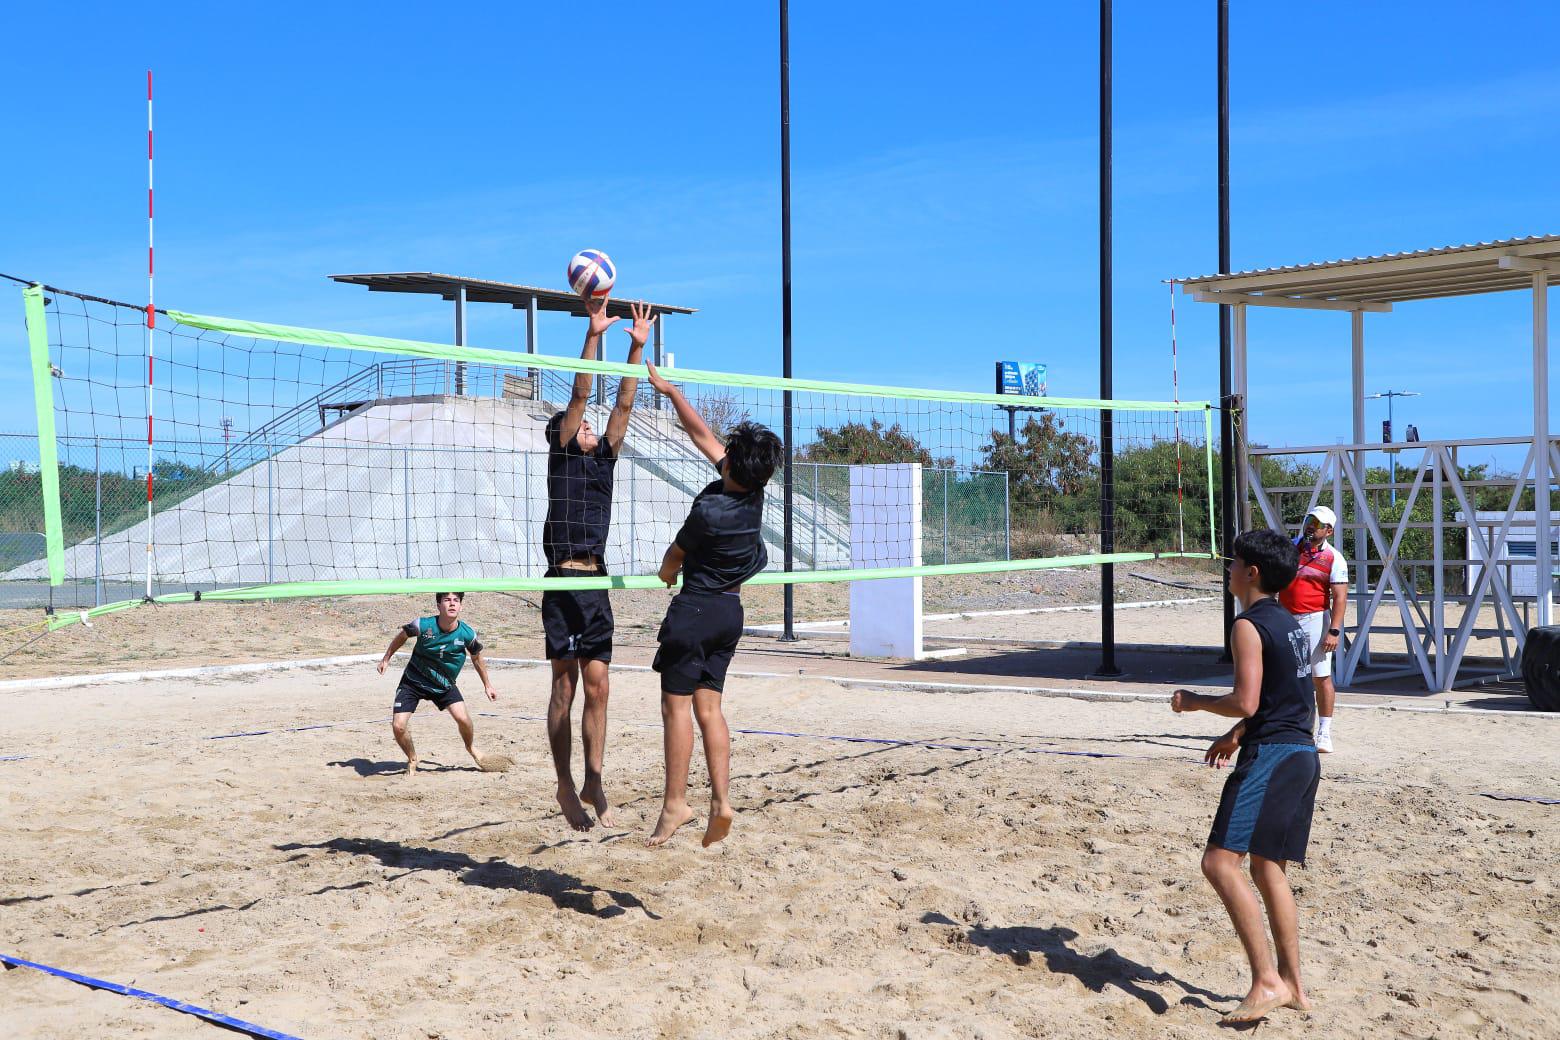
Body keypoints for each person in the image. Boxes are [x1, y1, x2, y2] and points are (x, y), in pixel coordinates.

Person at [1172, 528, 1321, 1024]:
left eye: (1233, 562)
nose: (1228, 569)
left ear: (1251, 573)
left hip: (1274, 756)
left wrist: (1194, 703)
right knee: (1266, 867)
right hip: (1302, 752)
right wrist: (1237, 734)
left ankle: (1266, 982)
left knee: (1219, 864)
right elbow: (1286, 697)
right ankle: (1295, 986)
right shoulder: (1291, 621)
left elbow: (1247, 700)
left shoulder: (1246, 625)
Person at [642, 361, 784, 849]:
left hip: (695, 610)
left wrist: (664, 577)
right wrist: (670, 391)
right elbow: (701, 434)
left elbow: (672, 561)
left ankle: (675, 803)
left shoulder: (709, 510)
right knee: (710, 709)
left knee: (674, 709)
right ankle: (721, 801)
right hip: (730, 614)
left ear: (730, 465)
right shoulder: (755, 495)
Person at [540, 295, 654, 830]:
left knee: (600, 684)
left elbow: (623, 405)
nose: (587, 428)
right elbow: (583, 393)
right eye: (578, 425)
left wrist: (635, 347)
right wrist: (594, 335)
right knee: (565, 685)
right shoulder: (562, 454)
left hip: (597, 579)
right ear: (562, 433)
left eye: (587, 427)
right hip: (562, 580)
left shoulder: (603, 460)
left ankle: (594, 776)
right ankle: (564, 785)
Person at [377, 592, 505, 774]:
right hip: (413, 681)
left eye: (456, 600)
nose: (452, 604)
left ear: (461, 606)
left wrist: (488, 685)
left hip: (444, 685)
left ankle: (470, 748)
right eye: (447, 600)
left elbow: (476, 658)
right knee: (398, 725)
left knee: (464, 719)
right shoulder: (422, 625)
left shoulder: (467, 633)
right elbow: (402, 636)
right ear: (438, 605)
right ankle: (412, 758)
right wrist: (386, 659)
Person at [1278, 505, 1349, 752]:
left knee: (1320, 676)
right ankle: (1291, 727)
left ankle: (1324, 733)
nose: (1311, 525)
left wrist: (1334, 630)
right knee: (1284, 676)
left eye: (1317, 523)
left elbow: (1340, 597)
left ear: (1328, 530)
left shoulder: (1334, 558)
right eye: (1309, 519)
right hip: (1285, 616)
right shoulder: (1290, 547)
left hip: (1316, 618)